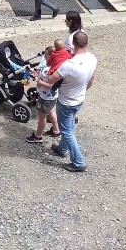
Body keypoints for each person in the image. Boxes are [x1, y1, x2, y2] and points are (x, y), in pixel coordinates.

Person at [43, 31, 96, 172]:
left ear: (73, 44)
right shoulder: (92, 58)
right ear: (87, 43)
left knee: (66, 131)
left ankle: (78, 162)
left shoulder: (68, 65)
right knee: (69, 124)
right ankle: (62, 149)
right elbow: (91, 79)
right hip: (79, 99)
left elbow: (50, 79)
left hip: (66, 101)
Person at [26, 44, 61, 142]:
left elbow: (50, 85)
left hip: (45, 97)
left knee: (41, 117)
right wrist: (38, 74)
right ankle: (56, 130)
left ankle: (37, 136)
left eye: (45, 56)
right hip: (53, 96)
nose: (44, 58)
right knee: (52, 111)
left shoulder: (48, 70)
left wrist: (39, 81)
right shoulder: (57, 67)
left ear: (50, 56)